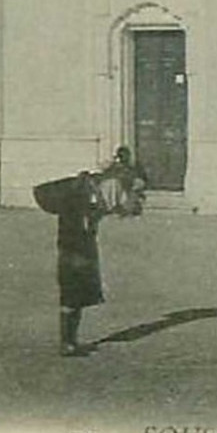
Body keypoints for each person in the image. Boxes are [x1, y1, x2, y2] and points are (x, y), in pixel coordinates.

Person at [37, 171, 108, 356]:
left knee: (75, 299)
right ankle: (67, 343)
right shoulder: (77, 209)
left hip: (72, 254)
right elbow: (94, 216)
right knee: (72, 298)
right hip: (75, 255)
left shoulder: (71, 206)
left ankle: (70, 341)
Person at [98, 146, 148, 218]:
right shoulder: (115, 166)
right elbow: (106, 175)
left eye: (125, 155)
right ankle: (113, 206)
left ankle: (126, 207)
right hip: (118, 188)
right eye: (120, 155)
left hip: (129, 187)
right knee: (111, 184)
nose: (123, 158)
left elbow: (141, 178)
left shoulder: (134, 166)